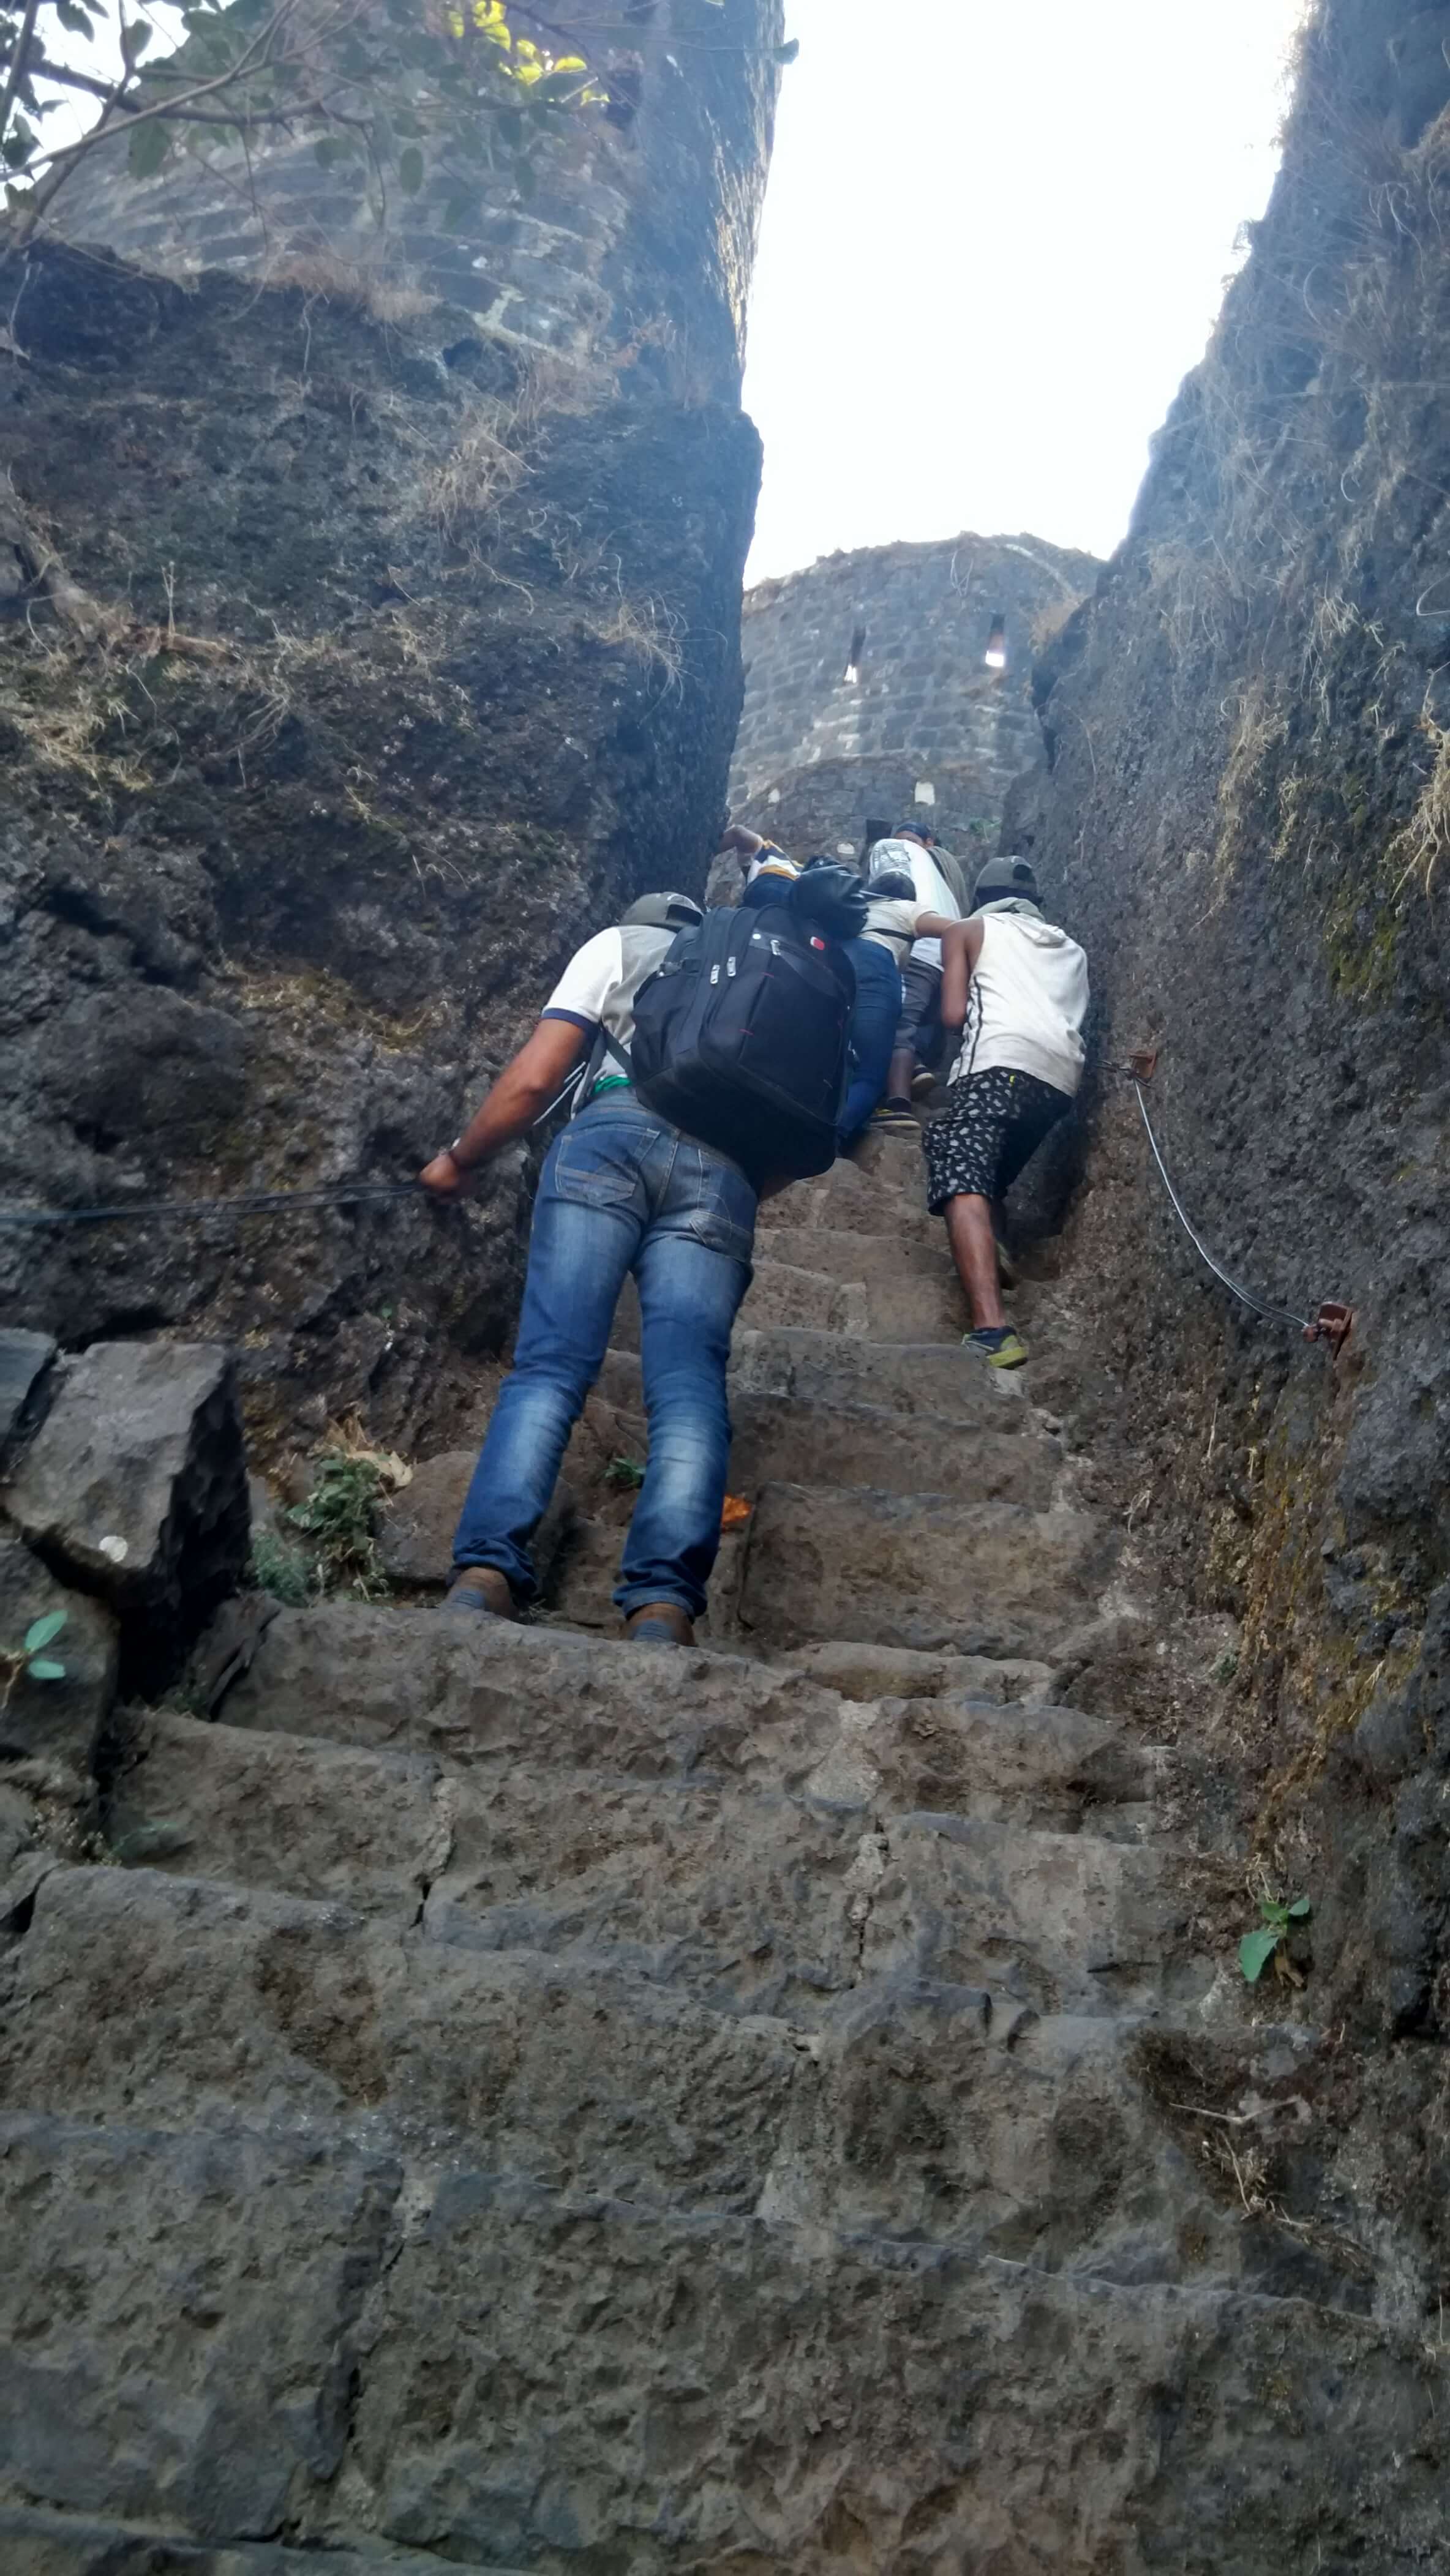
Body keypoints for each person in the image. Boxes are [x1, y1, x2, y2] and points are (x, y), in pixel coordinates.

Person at [928, 853, 1088, 1369]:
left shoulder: (966, 930)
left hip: (996, 1063)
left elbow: (953, 1014)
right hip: (1058, 1083)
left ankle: (993, 1330)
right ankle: (993, 1246)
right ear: (1036, 902)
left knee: (962, 1178)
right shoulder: (1073, 949)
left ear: (981, 898)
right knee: (991, 1177)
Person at [835, 866, 971, 1144]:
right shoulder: (904, 908)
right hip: (874, 970)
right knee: (871, 1073)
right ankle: (832, 1138)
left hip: (833, 967)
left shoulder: (854, 908)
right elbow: (955, 929)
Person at [866, 825, 965, 1121]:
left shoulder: (890, 848)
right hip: (942, 957)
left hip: (912, 946)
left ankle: (898, 1105)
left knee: (898, 1025)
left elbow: (893, 884)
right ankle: (916, 1068)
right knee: (913, 1022)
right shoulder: (944, 876)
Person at [716, 821, 801, 909]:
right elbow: (738, 835)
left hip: (774, 879)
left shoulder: (777, 857)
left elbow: (738, 834)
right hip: (777, 894)